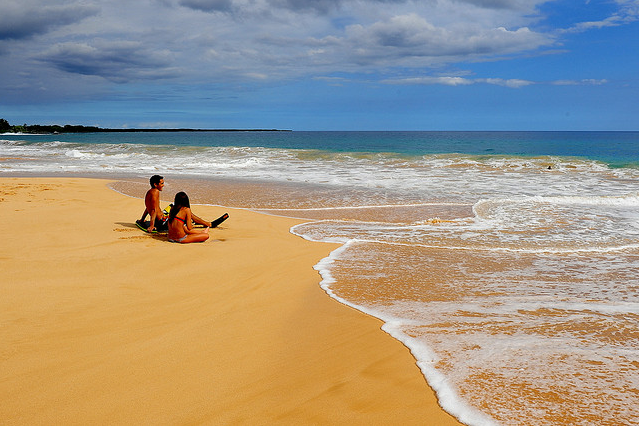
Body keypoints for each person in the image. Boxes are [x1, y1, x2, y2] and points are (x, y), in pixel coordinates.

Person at [137, 175, 219, 232]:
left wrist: (141, 219)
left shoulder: (150, 192)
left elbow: (148, 208)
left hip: (161, 217)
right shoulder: (156, 192)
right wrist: (152, 225)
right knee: (185, 209)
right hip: (162, 221)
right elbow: (153, 210)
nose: (163, 185)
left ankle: (194, 220)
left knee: (173, 206)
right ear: (155, 184)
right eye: (161, 183)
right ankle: (208, 224)